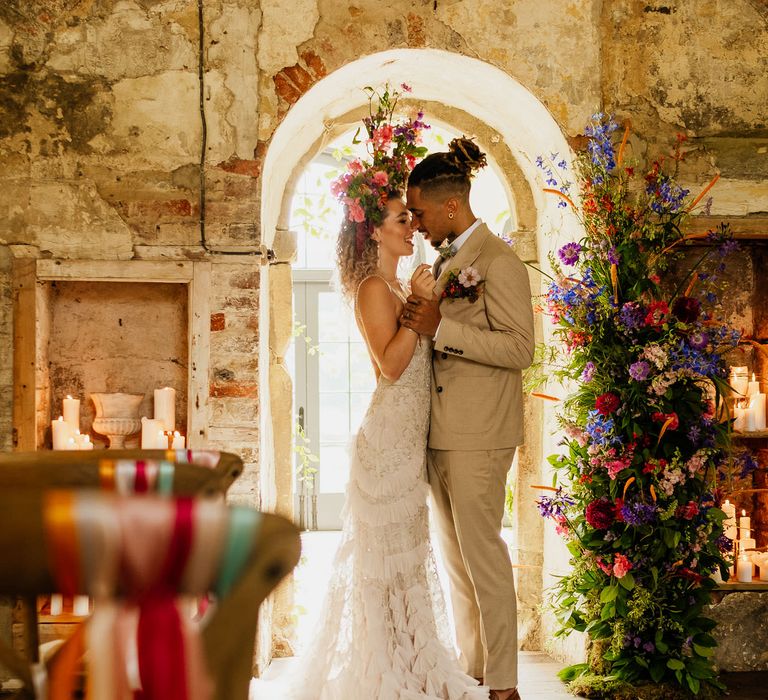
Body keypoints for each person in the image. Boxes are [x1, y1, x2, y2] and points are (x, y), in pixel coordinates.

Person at [250, 87, 487, 700]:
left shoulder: (394, 281)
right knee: (385, 562)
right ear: (375, 234)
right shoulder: (374, 291)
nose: (414, 226)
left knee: (405, 559)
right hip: (388, 439)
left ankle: (410, 659)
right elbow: (390, 365)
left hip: (409, 436)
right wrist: (424, 305)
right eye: (402, 220)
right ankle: (385, 670)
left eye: (413, 217)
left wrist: (426, 298)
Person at [402, 137, 535, 700]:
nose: (416, 224)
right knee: (456, 565)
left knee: (484, 559)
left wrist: (442, 330)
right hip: (442, 431)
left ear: (450, 206)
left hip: (480, 435)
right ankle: (473, 670)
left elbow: (519, 350)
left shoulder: (498, 262)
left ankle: (504, 685)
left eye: (420, 213)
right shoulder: (446, 259)